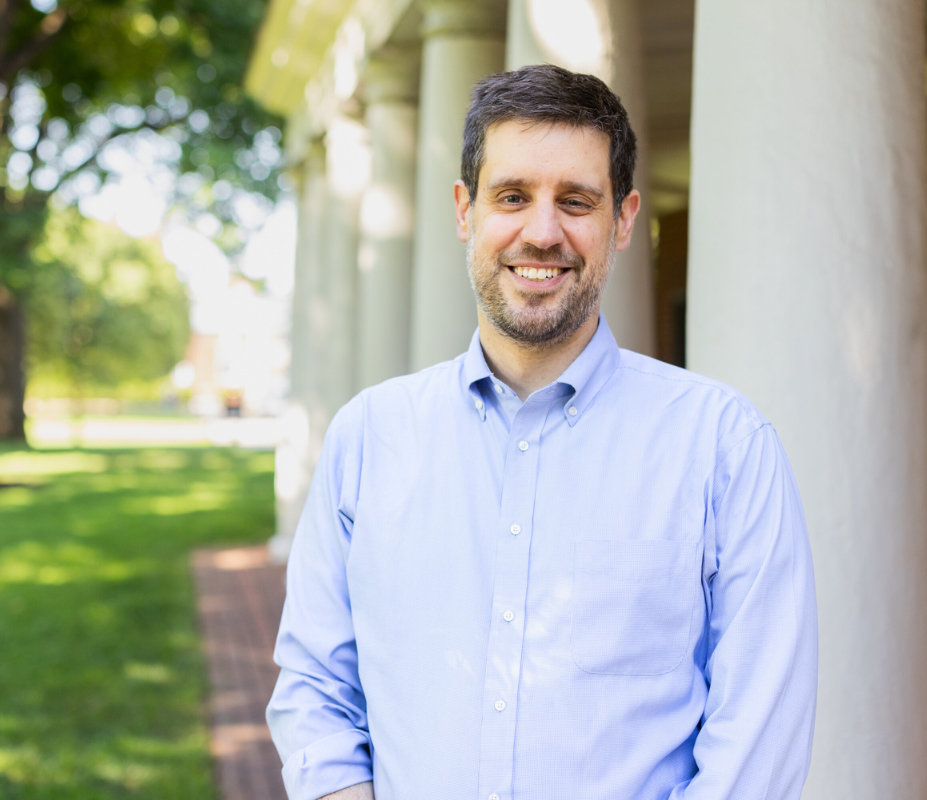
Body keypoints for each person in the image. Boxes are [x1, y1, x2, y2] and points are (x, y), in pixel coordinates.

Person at [267, 64, 818, 800]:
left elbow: (757, 740)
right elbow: (315, 693)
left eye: (577, 201)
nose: (542, 231)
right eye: (513, 196)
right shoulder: (368, 438)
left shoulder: (724, 447)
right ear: (465, 211)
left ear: (622, 221)